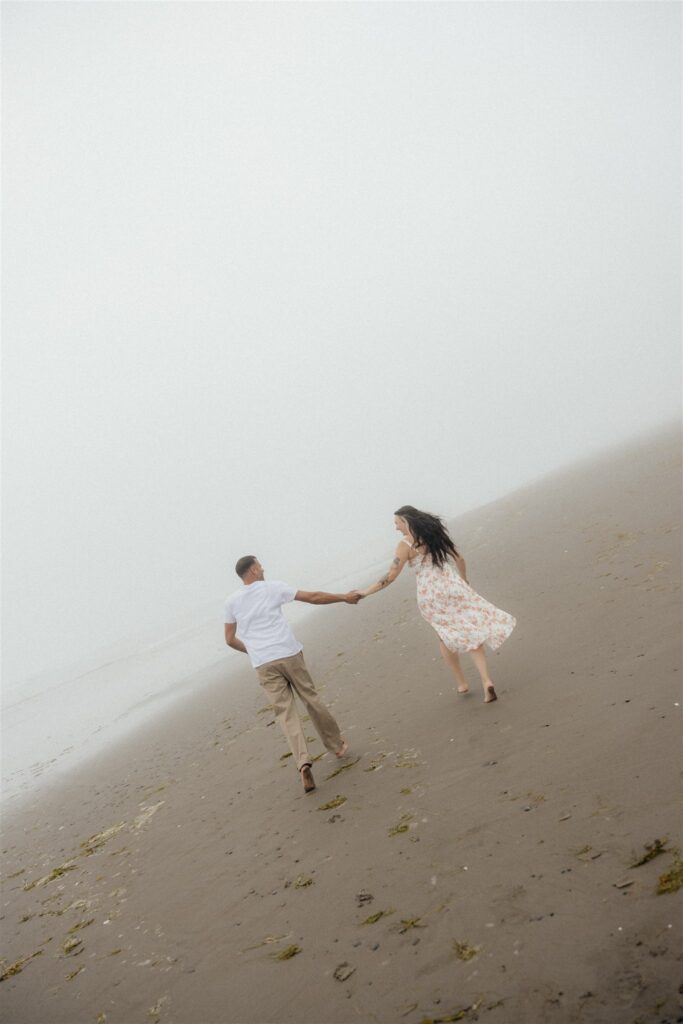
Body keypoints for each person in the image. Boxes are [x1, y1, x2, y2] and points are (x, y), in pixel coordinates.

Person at [224, 555, 361, 793]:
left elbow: (229, 639)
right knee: (311, 699)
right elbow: (313, 597)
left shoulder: (231, 601)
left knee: (286, 714)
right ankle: (336, 745)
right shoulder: (273, 587)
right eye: (260, 565)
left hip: (263, 663)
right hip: (288, 652)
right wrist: (344, 597)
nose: (263, 568)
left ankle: (303, 763)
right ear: (254, 570)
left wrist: (253, 650)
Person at [358, 506, 515, 703]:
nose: (396, 527)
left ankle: (462, 683)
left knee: (443, 636)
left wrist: (365, 592)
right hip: (452, 586)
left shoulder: (405, 544)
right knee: (472, 632)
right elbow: (459, 558)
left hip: (430, 595)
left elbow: (390, 576)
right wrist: (464, 581)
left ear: (406, 521)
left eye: (397, 523)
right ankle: (486, 681)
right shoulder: (435, 534)